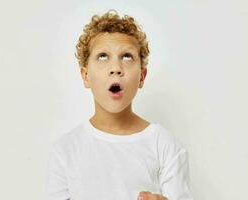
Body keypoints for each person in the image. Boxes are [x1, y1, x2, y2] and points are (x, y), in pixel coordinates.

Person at [45, 9, 194, 200]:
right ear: (86, 76)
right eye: (102, 56)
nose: (115, 68)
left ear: (141, 76)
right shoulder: (65, 150)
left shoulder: (165, 147)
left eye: (127, 56)